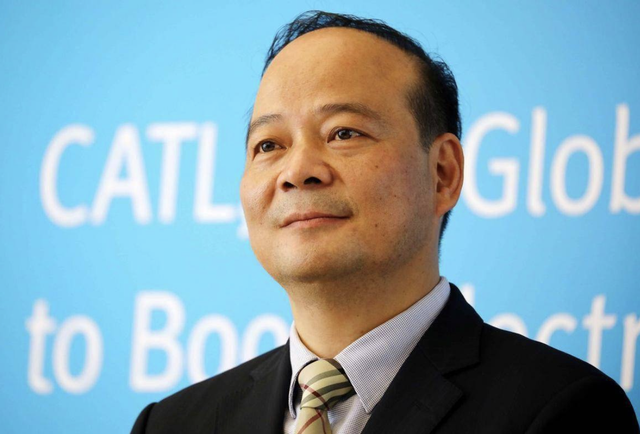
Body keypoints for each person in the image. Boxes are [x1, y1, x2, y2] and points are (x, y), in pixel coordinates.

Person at [131, 10, 639, 434]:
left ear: (442, 174)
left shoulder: (558, 410)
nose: (298, 170)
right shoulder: (171, 424)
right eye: (269, 145)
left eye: (344, 133)